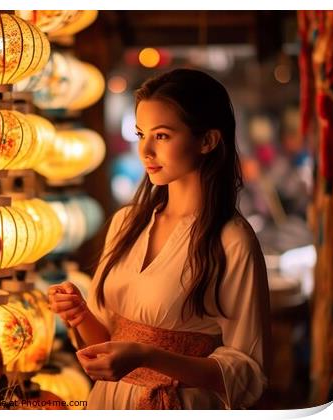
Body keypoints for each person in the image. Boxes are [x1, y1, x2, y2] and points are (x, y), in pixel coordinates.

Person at [48, 68, 272, 410]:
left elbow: (247, 371)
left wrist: (148, 356)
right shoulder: (126, 223)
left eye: (163, 136)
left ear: (208, 141)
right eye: (141, 134)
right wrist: (79, 313)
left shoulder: (231, 239)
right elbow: (108, 346)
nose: (145, 150)